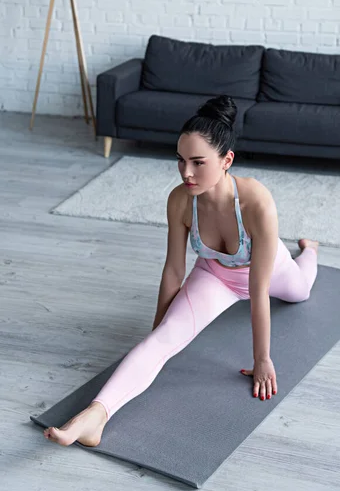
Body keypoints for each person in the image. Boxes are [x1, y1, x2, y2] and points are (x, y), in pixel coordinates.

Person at [43, 95, 318, 448]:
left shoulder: (256, 201)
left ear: (226, 160)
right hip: (215, 276)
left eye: (198, 162)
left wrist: (262, 359)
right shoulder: (180, 200)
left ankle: (310, 251)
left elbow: (259, 290)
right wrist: (158, 334)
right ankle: (94, 417)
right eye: (181, 161)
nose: (186, 172)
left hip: (270, 270)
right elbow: (174, 270)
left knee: (302, 289)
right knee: (163, 337)